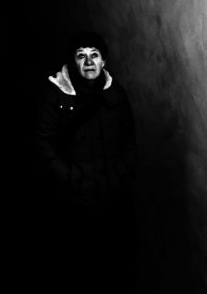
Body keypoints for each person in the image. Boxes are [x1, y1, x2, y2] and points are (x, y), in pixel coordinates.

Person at [35, 31, 137, 292]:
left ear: (104, 61)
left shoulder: (116, 94)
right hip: (76, 201)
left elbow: (129, 139)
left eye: (94, 55)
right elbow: (44, 142)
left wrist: (120, 173)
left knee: (113, 264)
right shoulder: (57, 96)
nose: (89, 61)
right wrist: (69, 177)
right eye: (81, 56)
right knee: (80, 266)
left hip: (112, 197)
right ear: (73, 62)